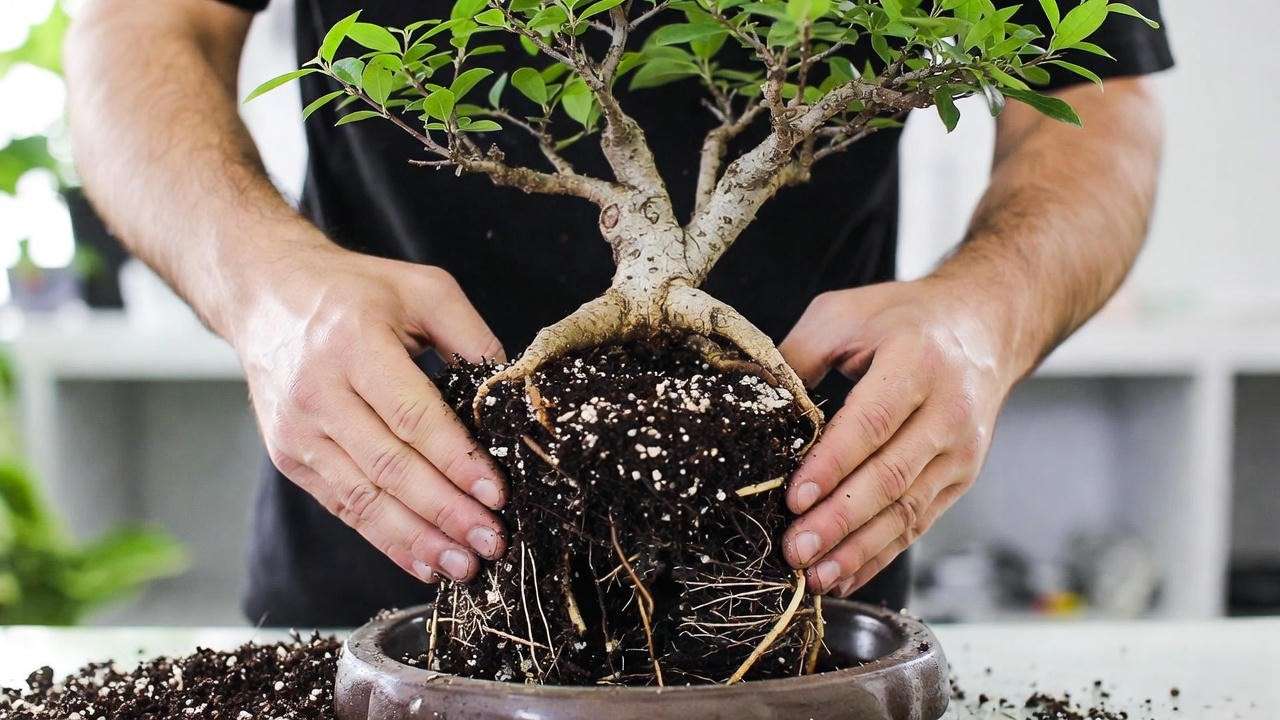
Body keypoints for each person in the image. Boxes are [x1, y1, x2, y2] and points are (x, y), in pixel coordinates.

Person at [63, 0, 1173, 627]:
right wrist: (267, 290)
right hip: (382, 556)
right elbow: (136, 26)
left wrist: (985, 311)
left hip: (788, 570)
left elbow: (1093, 97)